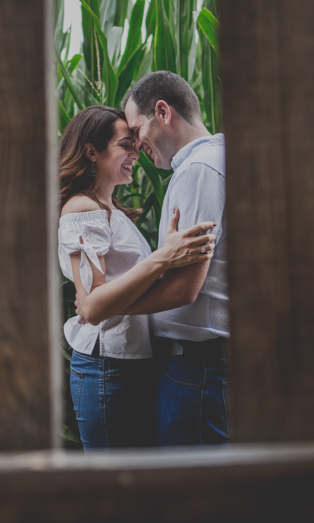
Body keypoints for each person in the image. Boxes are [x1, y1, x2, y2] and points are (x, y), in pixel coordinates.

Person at [58, 105, 217, 451]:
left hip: (127, 366)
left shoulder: (109, 210)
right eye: (124, 146)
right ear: (91, 152)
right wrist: (164, 257)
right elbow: (94, 306)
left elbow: (101, 299)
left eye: (135, 144)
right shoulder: (81, 209)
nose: (136, 154)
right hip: (107, 369)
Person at [120, 71, 229, 446]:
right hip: (201, 368)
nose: (135, 148)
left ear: (163, 112)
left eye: (136, 132)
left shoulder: (199, 169)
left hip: (196, 371)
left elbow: (185, 288)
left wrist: (106, 306)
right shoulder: (211, 160)